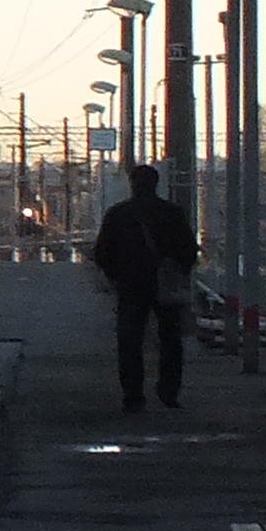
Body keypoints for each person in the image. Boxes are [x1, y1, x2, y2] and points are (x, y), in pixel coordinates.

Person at [90, 162, 201, 410]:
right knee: (171, 340)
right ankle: (169, 391)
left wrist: (115, 276)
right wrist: (176, 271)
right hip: (165, 287)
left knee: (130, 340)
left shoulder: (118, 214)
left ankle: (133, 394)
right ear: (156, 184)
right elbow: (189, 251)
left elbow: (101, 253)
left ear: (132, 185)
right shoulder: (172, 213)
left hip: (130, 285)